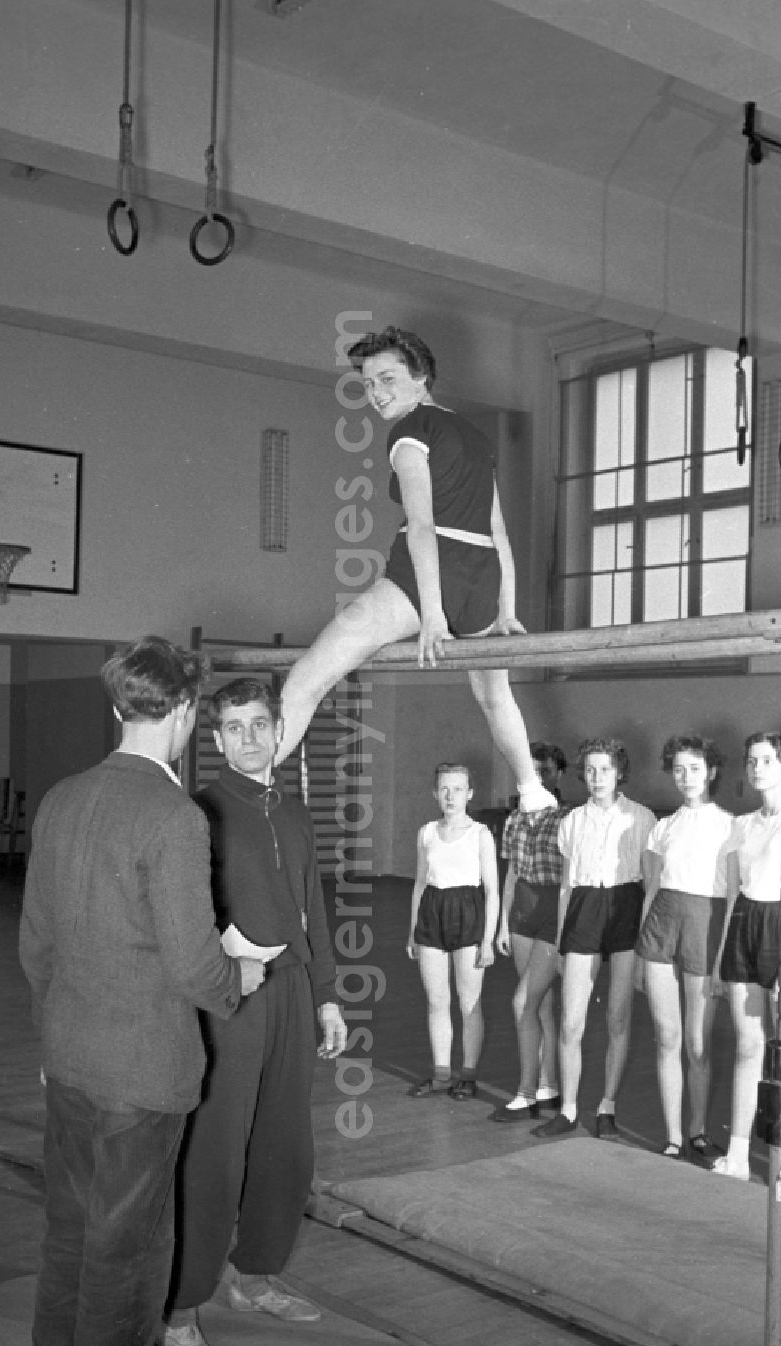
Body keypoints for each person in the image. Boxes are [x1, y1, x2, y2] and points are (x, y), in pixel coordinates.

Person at [18, 636, 264, 1346]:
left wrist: (61, 1034)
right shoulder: (173, 817)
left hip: (72, 1058)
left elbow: (37, 946)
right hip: (140, 1076)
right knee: (128, 1253)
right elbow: (198, 966)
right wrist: (243, 973)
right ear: (188, 715)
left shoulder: (61, 798)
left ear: (117, 708)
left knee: (69, 1233)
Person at [274, 327, 555, 813]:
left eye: (388, 379)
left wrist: (433, 615)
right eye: (368, 385)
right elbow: (498, 532)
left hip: (431, 574)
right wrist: (505, 610)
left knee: (306, 679)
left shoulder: (409, 432)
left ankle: (252, 786)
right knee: (494, 695)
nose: (378, 394)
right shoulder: (474, 435)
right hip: (483, 577)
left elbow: (422, 527)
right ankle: (532, 789)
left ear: (422, 377)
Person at [163, 678, 347, 1346]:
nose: (247, 737)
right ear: (214, 739)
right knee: (216, 1150)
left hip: (292, 992)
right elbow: (182, 914)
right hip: (230, 997)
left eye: (258, 724)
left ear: (278, 731)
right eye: (233, 727)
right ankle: (180, 1307)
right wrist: (221, 955)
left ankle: (257, 1274)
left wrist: (326, 996)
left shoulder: (296, 814)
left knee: (286, 1145)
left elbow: (314, 910)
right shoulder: (201, 811)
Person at [713, 732, 781, 1181]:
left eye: (767, 760)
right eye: (752, 761)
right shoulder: (741, 825)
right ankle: (738, 1157)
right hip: (745, 925)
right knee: (747, 1045)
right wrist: (723, 954)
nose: (758, 768)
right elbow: (734, 898)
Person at [534, 738, 656, 1141]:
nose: (597, 777)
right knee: (571, 1021)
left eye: (604, 769)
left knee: (618, 1018)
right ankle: (568, 1109)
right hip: (583, 913)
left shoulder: (642, 818)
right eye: (589, 770)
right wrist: (559, 941)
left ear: (619, 772)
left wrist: (642, 942)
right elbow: (567, 887)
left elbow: (651, 885)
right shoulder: (571, 822)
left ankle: (607, 1106)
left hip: (625, 910)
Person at [636, 736, 733, 1160]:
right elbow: (650, 889)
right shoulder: (663, 827)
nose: (685, 777)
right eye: (677, 769)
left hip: (705, 927)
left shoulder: (730, 825)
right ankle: (674, 1136)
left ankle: (698, 1130)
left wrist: (723, 958)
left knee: (697, 1042)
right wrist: (642, 948)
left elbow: (732, 898)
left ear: (710, 772)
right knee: (666, 1036)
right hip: (660, 925)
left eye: (694, 768)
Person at [406, 762, 499, 1100]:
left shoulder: (481, 834)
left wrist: (487, 939)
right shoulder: (427, 832)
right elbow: (419, 883)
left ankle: (469, 1075)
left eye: (457, 789)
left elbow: (492, 890)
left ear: (470, 793)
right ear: (435, 792)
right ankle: (442, 1074)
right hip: (432, 915)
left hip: (469, 916)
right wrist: (412, 930)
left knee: (469, 1003)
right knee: (437, 1000)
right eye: (444, 788)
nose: (450, 795)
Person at [492, 743, 569, 1122]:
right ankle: (547, 1087)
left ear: (559, 776)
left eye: (547, 771)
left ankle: (525, 1091)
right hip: (522, 915)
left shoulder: (568, 819)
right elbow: (511, 875)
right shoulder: (514, 820)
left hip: (553, 915)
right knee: (539, 1006)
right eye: (532, 771)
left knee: (523, 1002)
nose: (539, 778)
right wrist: (503, 924)